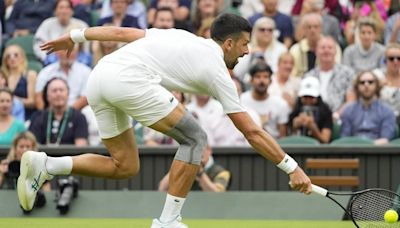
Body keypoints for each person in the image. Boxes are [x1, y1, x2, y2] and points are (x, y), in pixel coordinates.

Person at [22, 13, 311, 228]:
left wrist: (74, 36)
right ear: (229, 43)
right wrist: (292, 168)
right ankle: (168, 221)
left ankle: (46, 165)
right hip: (129, 81)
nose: (247, 51)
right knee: (195, 138)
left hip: (99, 78)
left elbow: (121, 33)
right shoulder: (217, 72)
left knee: (125, 166)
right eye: (245, 44)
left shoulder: (180, 35)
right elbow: (251, 132)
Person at [340, 71, 396, 145]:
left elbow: (386, 139)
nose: (366, 85)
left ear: (377, 85)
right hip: (353, 152)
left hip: (378, 152)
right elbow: (344, 139)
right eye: (362, 82)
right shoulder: (348, 110)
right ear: (357, 86)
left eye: (370, 82)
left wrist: (367, 146)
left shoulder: (387, 111)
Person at [29, 78, 88, 146]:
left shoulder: (79, 117)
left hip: (71, 156)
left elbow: (80, 147)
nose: (58, 93)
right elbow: (32, 145)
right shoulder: (38, 116)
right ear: (47, 96)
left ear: (68, 94)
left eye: (61, 90)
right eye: (54, 91)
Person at [240, 62, 290, 139]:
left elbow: (283, 136)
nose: (262, 81)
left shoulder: (280, 104)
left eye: (265, 77)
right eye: (258, 77)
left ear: (270, 81)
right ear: (251, 80)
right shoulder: (241, 101)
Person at [158, 145, 231, 192]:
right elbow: (162, 189)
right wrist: (179, 165)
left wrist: (199, 172)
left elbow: (218, 195)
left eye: (200, 149)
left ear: (209, 150)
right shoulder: (185, 169)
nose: (197, 153)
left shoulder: (221, 172)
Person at [288, 77, 332, 143]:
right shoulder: (295, 111)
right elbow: (286, 139)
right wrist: (294, 127)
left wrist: (313, 129)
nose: (308, 101)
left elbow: (325, 140)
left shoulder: (325, 112)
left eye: (311, 97)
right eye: (305, 97)